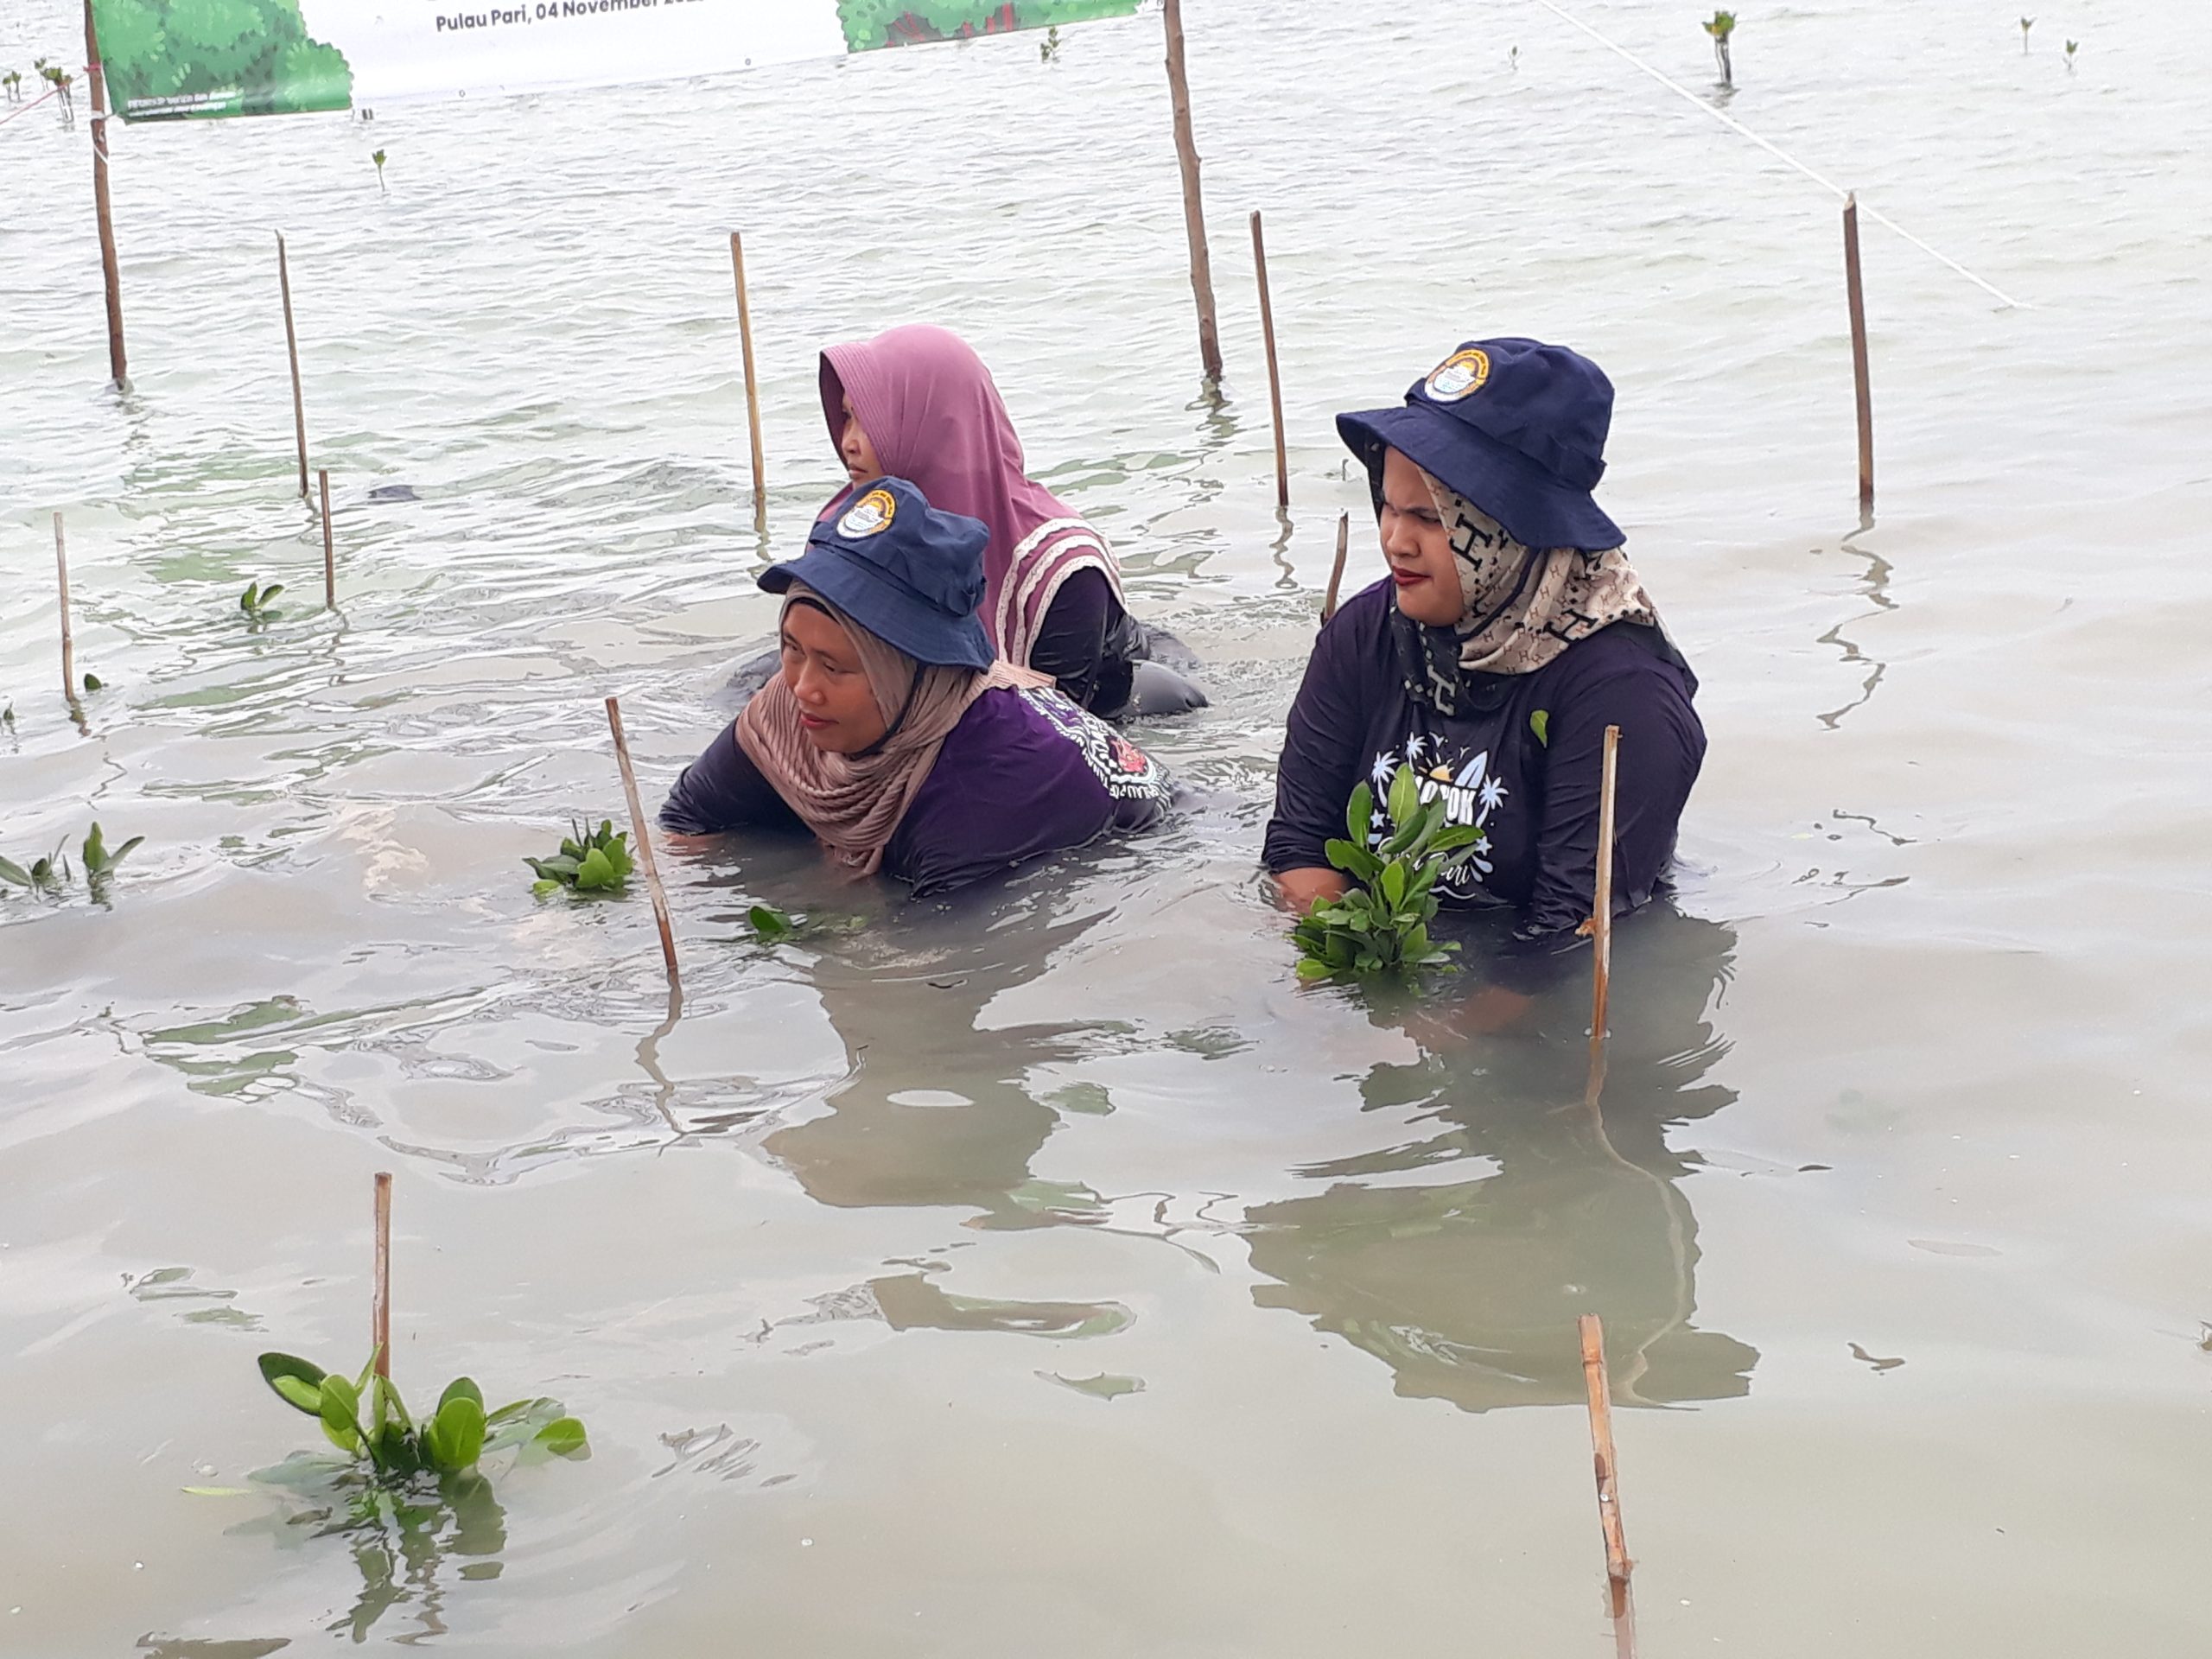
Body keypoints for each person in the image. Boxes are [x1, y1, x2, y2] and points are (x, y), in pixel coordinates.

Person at [1264, 336, 1703, 957]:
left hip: (1538, 967)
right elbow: (1300, 844)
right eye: (1388, 507)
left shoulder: (1624, 696)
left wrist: (1441, 1029)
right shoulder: (1362, 635)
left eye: (1429, 518)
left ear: (1516, 528)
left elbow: (1572, 934)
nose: (1395, 541)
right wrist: (1355, 987)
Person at [664, 476, 1173, 896]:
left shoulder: (984, 782)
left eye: (836, 667)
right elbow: (686, 824)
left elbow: (932, 959)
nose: (802, 687)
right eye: (793, 648)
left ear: (915, 671)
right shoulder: (788, 706)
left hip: (1155, 850)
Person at [817, 323, 1205, 719]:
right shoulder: (843, 533)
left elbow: (1056, 736)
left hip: (1114, 696)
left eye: (869, 420)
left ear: (933, 425)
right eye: (846, 417)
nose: (848, 441)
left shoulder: (1062, 572)